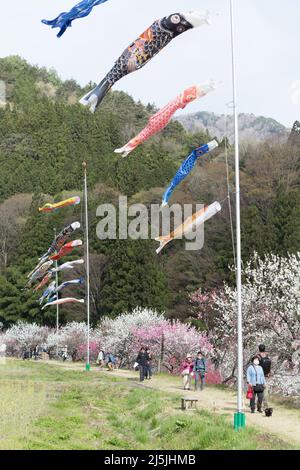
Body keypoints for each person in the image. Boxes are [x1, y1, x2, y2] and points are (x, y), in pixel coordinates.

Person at [257, 344, 272, 410]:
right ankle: (265, 405)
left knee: (258, 390)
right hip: (266, 375)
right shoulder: (267, 356)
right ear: (264, 349)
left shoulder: (257, 356)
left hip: (259, 376)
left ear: (259, 349)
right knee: (265, 390)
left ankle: (257, 404)